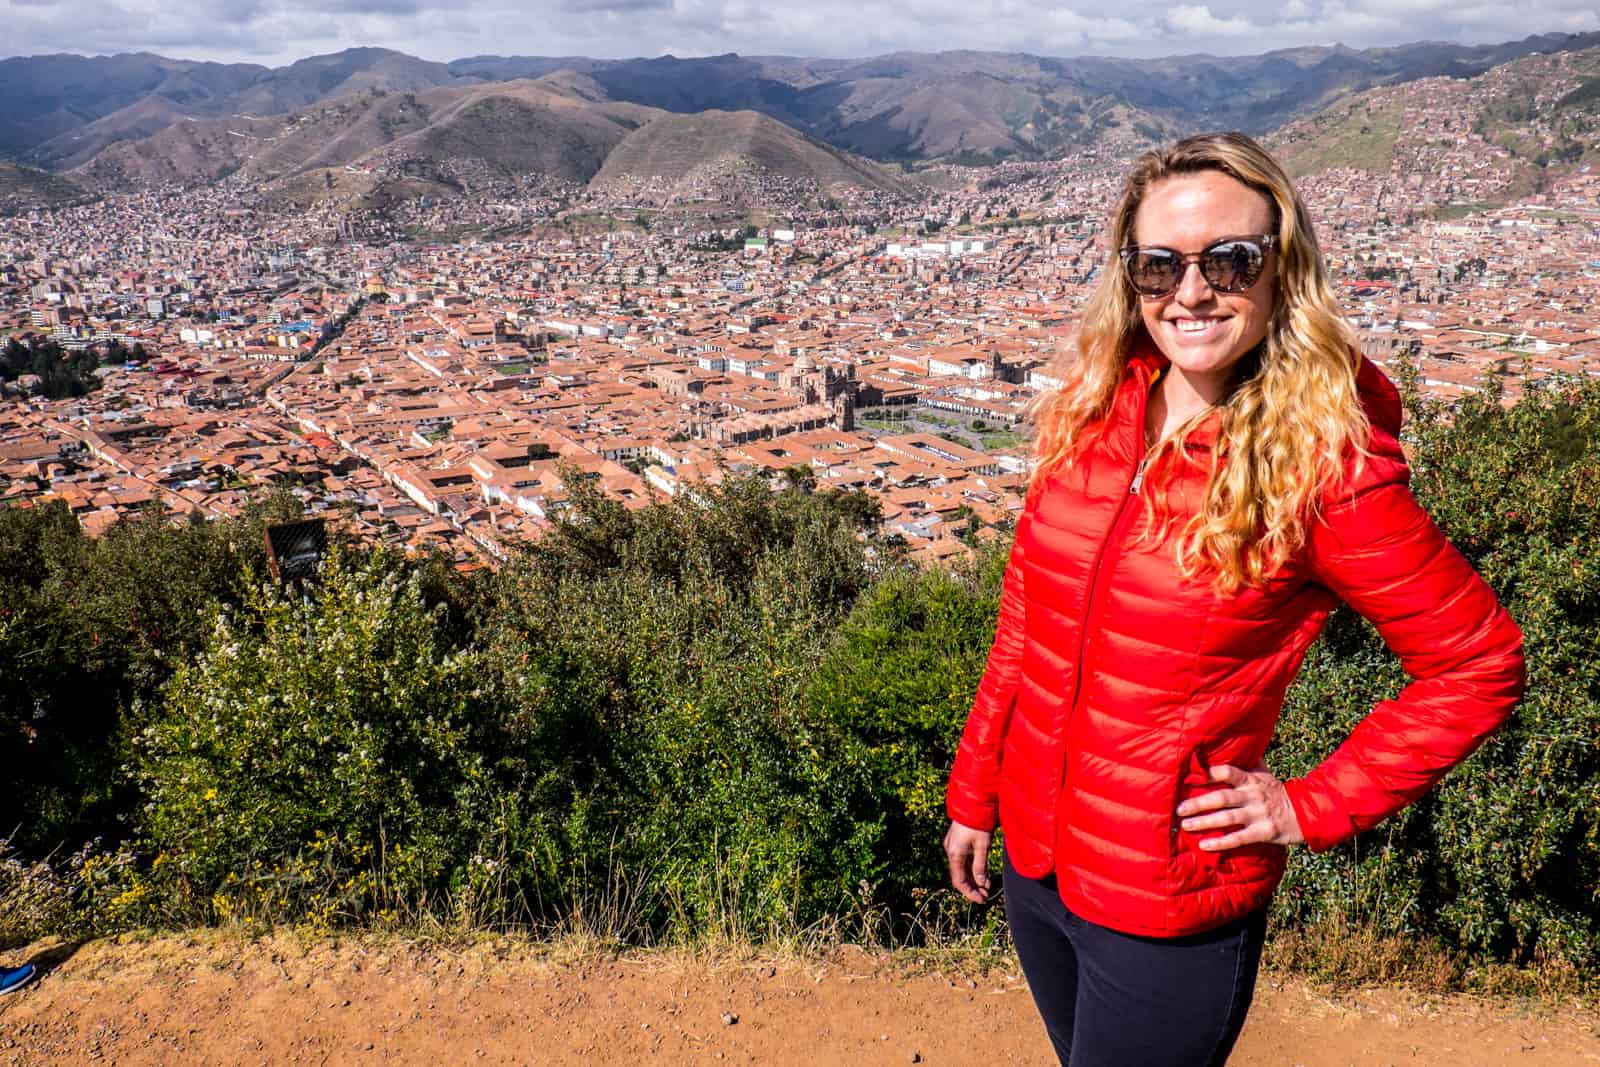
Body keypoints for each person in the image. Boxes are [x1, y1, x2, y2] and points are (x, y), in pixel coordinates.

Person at [943, 131, 1524, 1066]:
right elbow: (1025, 632)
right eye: (1159, 264)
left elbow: (1479, 661)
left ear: (1281, 271)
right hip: (1037, 864)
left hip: (1169, 898)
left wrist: (1310, 804)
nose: (1192, 290)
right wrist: (975, 794)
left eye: (1230, 259)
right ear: (1127, 276)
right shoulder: (1094, 416)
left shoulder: (1326, 467)